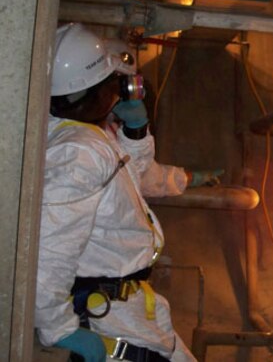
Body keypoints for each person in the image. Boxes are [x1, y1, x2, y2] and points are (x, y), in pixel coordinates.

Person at [36, 23, 196, 362]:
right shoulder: (80, 150)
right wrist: (59, 328)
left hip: (125, 307)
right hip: (106, 316)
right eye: (111, 85)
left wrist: (135, 133)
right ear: (89, 91)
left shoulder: (79, 136)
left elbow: (127, 185)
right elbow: (50, 248)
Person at [103, 37, 224, 197]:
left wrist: (190, 178)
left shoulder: (115, 127)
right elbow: (124, 180)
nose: (121, 92)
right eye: (113, 84)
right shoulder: (82, 133)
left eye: (126, 84)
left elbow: (149, 178)